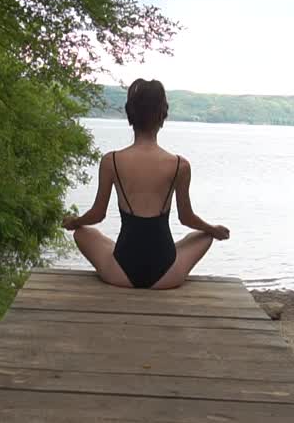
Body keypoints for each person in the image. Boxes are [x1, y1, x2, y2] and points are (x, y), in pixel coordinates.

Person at [62, 79, 229, 289]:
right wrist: (213, 229)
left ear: (130, 116)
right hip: (166, 275)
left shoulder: (111, 161)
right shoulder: (179, 165)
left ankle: (125, 252)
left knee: (83, 233)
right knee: (204, 236)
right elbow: (186, 218)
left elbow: (98, 215)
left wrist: (74, 222)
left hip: (120, 272)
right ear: (162, 117)